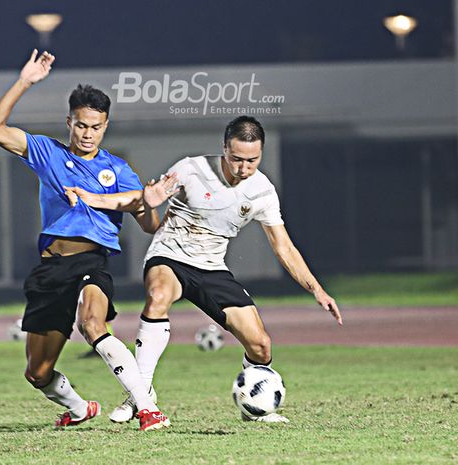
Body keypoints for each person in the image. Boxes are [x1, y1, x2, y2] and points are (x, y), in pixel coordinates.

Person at [65, 115, 343, 424]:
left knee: (261, 346)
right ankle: (140, 395)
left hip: (211, 267)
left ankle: (252, 408)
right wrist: (139, 199)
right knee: (158, 296)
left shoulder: (262, 191)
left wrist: (316, 289)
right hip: (168, 255)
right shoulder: (191, 169)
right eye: (237, 159)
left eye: (252, 160)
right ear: (224, 148)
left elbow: (284, 247)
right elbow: (140, 199)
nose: (243, 168)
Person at [0, 49, 172, 431]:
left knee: (92, 324)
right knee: (37, 372)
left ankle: (146, 407)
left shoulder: (117, 170)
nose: (88, 134)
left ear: (105, 126)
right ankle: (82, 408)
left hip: (92, 263)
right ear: (69, 122)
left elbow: (149, 224)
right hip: (51, 269)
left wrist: (149, 205)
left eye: (96, 127)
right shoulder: (46, 152)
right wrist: (25, 82)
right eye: (82, 125)